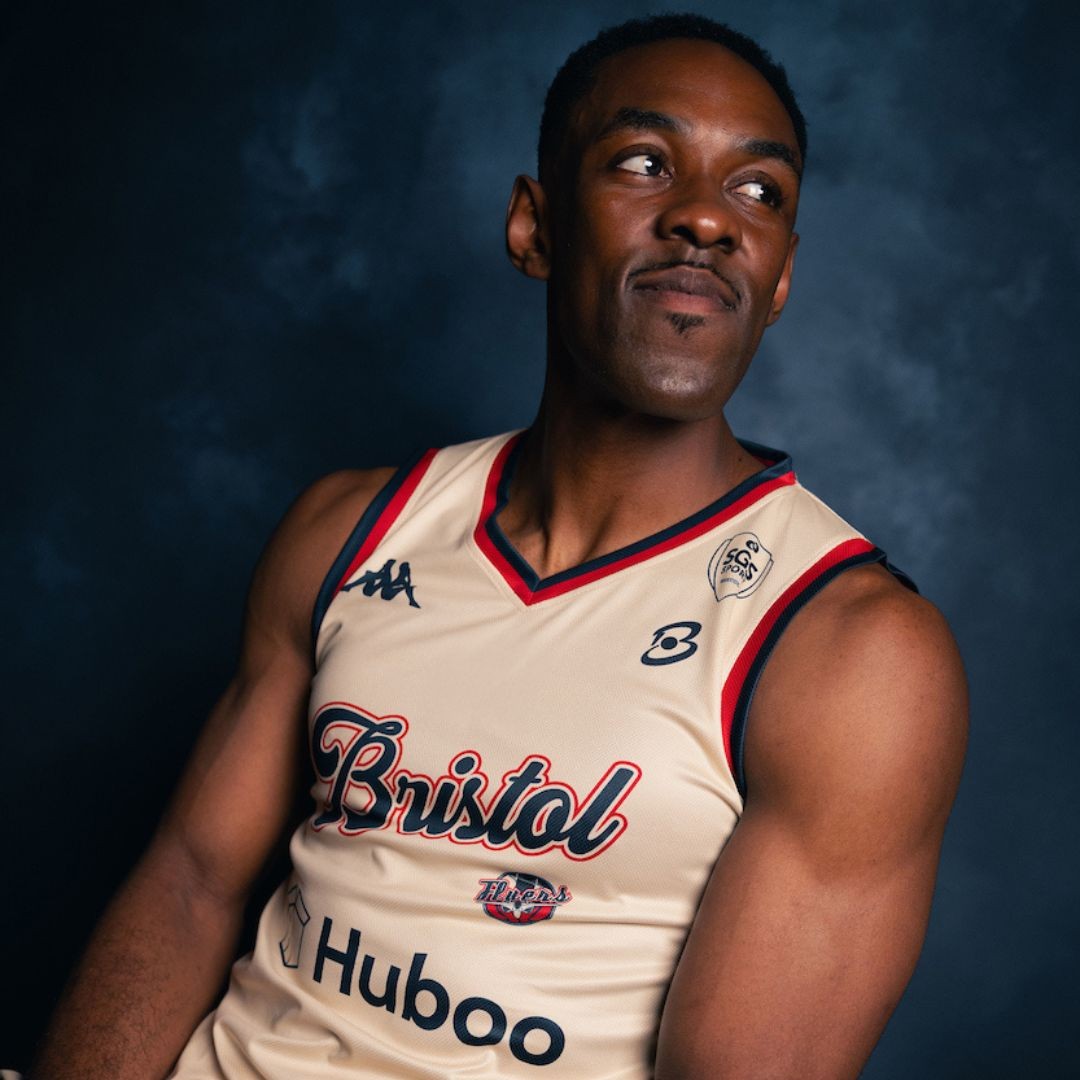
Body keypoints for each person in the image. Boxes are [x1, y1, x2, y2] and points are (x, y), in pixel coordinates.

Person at [34, 13, 967, 1079]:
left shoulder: (851, 653)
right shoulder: (349, 530)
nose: (708, 217)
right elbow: (190, 884)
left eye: (759, 190)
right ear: (535, 227)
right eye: (645, 162)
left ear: (781, 278)